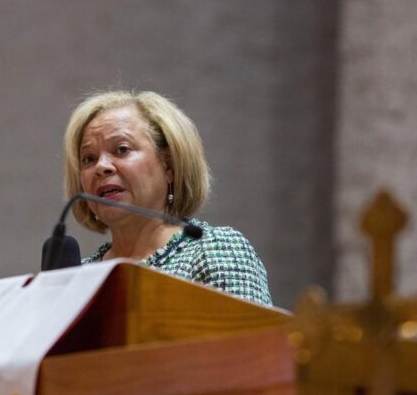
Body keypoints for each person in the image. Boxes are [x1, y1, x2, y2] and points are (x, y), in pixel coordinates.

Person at [63, 90, 272, 306]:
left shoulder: (214, 252)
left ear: (169, 166)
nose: (101, 166)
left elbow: (254, 341)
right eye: (89, 158)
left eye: (122, 149)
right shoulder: (77, 280)